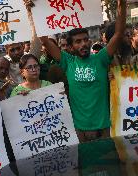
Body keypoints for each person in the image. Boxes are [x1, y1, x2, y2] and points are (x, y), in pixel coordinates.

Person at [39, 0, 126, 142]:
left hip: (105, 128)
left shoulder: (101, 59)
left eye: (86, 40)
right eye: (78, 41)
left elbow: (118, 33)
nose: (83, 43)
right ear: (71, 47)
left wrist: (121, 3)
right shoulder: (68, 62)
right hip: (79, 130)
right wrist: (33, 12)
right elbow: (45, 41)